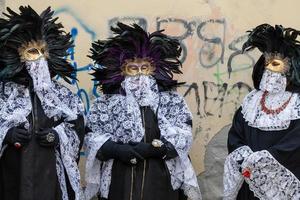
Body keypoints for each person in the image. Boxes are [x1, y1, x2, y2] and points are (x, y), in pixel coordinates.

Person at [84, 22, 201, 200]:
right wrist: (116, 150)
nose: (139, 74)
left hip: (160, 178)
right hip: (120, 179)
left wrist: (155, 149)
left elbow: (183, 134)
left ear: (153, 69)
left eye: (144, 68)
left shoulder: (171, 101)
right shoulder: (105, 103)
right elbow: (91, 137)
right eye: (133, 68)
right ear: (122, 71)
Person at [0, 6, 85, 200]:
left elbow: (77, 125)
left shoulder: (62, 95)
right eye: (31, 51)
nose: (38, 58)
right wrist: (6, 134)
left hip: (49, 174)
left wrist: (57, 135)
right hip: (12, 173)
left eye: (42, 51)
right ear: (18, 55)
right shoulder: (4, 92)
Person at [223, 24, 300, 200]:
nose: (269, 69)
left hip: (280, 184)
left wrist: (265, 160)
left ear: (290, 68)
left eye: (275, 64)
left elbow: (296, 143)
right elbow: (236, 133)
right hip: (249, 180)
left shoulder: (296, 104)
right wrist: (245, 157)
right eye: (266, 63)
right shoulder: (252, 101)